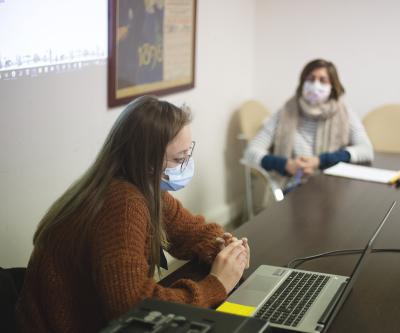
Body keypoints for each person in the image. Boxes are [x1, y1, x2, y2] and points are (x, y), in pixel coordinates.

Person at [15, 96, 250, 333]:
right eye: (179, 159)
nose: (186, 164)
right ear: (148, 160)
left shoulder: (139, 184)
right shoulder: (122, 204)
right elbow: (133, 307)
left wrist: (224, 249)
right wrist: (216, 285)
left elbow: (190, 231)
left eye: (188, 154)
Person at [244, 59, 374, 183]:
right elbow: (251, 152)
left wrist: (320, 161)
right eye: (311, 79)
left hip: (331, 186)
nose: (315, 85)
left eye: (323, 80)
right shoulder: (285, 112)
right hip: (291, 185)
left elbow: (366, 150)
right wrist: (285, 165)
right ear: (302, 83)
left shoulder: (345, 114)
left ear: (333, 86)